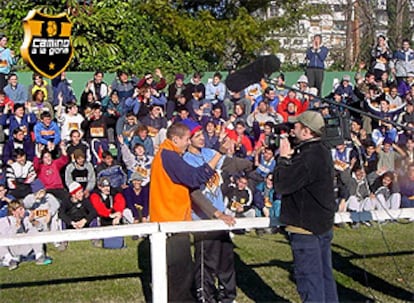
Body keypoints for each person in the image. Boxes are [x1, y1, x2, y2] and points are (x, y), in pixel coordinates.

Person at [149, 122, 232, 302]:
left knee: (182, 273)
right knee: (180, 276)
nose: (188, 143)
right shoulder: (169, 156)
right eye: (187, 139)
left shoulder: (169, 155)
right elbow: (195, 178)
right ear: (175, 139)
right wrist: (219, 153)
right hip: (171, 223)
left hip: (175, 221)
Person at [273, 110, 339, 303]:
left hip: (306, 229)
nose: (293, 129)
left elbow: (282, 184)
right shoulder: (322, 151)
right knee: (324, 279)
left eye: (297, 126)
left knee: (310, 282)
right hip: (321, 226)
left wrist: (284, 158)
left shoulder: (309, 157)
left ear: (307, 132)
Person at [182, 121, 237, 303]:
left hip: (222, 218)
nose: (202, 138)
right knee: (206, 262)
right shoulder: (186, 161)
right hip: (204, 220)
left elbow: (231, 164)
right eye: (197, 136)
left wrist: (253, 167)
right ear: (188, 139)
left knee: (226, 259)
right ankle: (206, 297)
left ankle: (228, 296)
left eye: (202, 134)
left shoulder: (209, 153)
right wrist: (215, 213)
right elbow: (195, 193)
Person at [0, 200, 52, 270]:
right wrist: (17, 226)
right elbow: (7, 237)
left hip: (25, 247)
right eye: (20, 209)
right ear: (13, 212)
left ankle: (39, 256)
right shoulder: (4, 221)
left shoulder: (26, 219)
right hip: (12, 248)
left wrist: (33, 221)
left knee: (33, 230)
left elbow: (41, 229)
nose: (23, 211)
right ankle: (9, 260)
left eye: (23, 208)